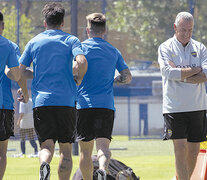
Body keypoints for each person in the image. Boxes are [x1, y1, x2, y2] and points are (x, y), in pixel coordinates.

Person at [19, 3, 88, 180]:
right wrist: (78, 78)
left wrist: (32, 79)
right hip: (66, 102)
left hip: (42, 102)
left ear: (45, 23)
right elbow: (81, 61)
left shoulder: (34, 41)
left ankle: (44, 164)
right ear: (62, 22)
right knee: (65, 149)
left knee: (46, 146)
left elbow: (19, 70)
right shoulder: (71, 40)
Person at [75, 13, 132, 180]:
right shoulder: (113, 51)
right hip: (105, 106)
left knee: (85, 151)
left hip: (84, 106)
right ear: (105, 30)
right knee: (103, 148)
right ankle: (102, 169)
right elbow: (127, 76)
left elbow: (73, 72)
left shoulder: (80, 50)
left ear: (87, 30)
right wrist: (113, 80)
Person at [158, 12, 207, 180]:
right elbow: (167, 72)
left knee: (193, 152)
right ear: (175, 27)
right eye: (183, 30)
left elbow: (205, 76)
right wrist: (196, 69)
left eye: (190, 30)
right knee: (180, 150)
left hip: (198, 107)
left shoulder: (200, 48)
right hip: (174, 108)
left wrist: (179, 75)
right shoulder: (165, 47)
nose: (187, 34)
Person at [0, 12, 28, 180]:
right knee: (2, 152)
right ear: (2, 25)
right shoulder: (9, 46)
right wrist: (25, 92)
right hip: (2, 105)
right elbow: (17, 74)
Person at [16, 93, 38, 158]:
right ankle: (36, 151)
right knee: (32, 139)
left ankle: (23, 153)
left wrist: (18, 121)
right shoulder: (31, 101)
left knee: (22, 139)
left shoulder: (22, 102)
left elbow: (22, 113)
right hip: (31, 124)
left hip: (24, 124)